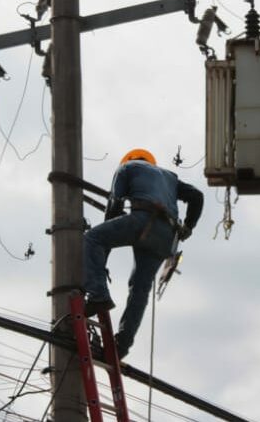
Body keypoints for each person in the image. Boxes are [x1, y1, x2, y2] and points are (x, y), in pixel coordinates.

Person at [83, 148, 203, 358]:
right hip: (166, 236)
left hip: (143, 220)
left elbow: (114, 205)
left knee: (91, 239)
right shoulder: (169, 177)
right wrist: (189, 227)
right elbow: (197, 196)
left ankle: (98, 295)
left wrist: (101, 260)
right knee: (140, 289)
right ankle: (121, 346)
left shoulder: (126, 168)